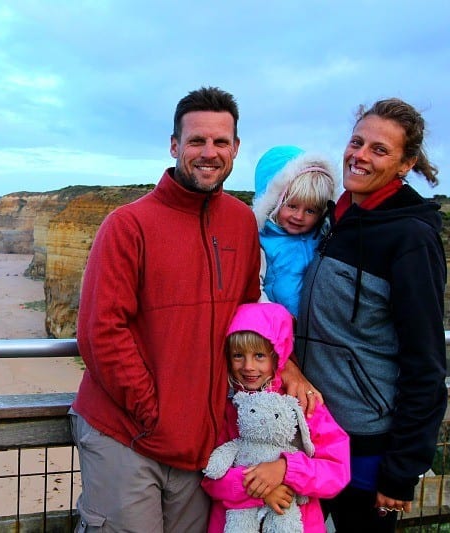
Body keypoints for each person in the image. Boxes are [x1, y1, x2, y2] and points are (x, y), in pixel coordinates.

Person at [69, 86, 320, 532]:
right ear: (174, 145)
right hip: (126, 436)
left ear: (236, 149)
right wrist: (155, 414)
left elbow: (252, 320)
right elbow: (101, 332)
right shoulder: (128, 225)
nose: (209, 152)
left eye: (221, 142)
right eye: (197, 141)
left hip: (203, 444)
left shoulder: (241, 222)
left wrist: (289, 367)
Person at [296, 97, 447, 531]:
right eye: (357, 142)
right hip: (311, 432)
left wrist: (401, 470)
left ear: (406, 164)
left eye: (379, 150)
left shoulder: (410, 239)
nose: (360, 155)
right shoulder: (338, 216)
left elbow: (426, 364)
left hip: (366, 445)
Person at [202, 302, 350, 532]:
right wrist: (261, 489)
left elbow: (336, 470)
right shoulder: (226, 408)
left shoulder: (302, 402)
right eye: (238, 355)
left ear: (278, 355)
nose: (248, 366)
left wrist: (285, 469)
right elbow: (210, 476)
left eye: (259, 355)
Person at [252, 145, 339, 317]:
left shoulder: (323, 238)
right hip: (279, 327)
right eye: (292, 206)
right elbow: (254, 288)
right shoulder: (262, 242)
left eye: (310, 210)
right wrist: (275, 318)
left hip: (313, 328)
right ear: (273, 201)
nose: (299, 216)